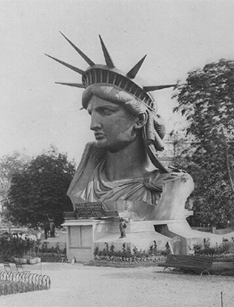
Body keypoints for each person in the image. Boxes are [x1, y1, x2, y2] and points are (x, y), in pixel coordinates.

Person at [48, 34, 194, 221]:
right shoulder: (83, 185)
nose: (93, 125)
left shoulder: (170, 185)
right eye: (91, 113)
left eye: (106, 112)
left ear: (140, 120)